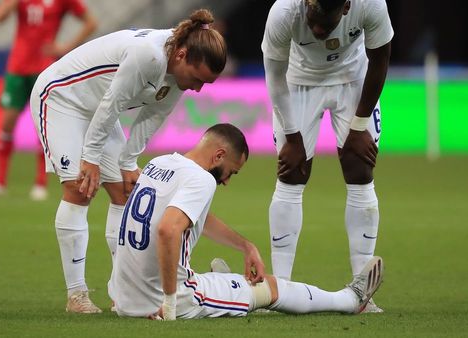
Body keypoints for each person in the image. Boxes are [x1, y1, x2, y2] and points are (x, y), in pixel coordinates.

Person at [28, 9, 227, 313]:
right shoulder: (148, 56)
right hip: (62, 98)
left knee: (124, 190)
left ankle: (123, 293)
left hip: (98, 112)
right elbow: (113, 104)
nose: (197, 88)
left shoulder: (178, 73)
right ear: (182, 55)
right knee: (79, 189)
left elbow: (152, 116)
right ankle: (76, 295)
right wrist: (90, 159)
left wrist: (128, 162)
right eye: (198, 79)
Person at [108, 123, 384, 319]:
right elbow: (168, 229)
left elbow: (189, 216)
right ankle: (350, 300)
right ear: (219, 155)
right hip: (171, 299)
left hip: (125, 300)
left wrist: (246, 246)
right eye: (231, 172)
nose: (226, 181)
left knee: (220, 279)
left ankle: (222, 283)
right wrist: (169, 304)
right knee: (269, 289)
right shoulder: (201, 179)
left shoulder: (161, 162)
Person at [261, 0, 393, 313]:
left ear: (346, 8)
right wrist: (292, 137)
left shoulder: (371, 5)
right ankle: (280, 288)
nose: (318, 29)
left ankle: (363, 292)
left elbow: (380, 59)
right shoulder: (283, 12)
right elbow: (274, 75)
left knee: (360, 169)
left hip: (353, 80)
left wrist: (359, 125)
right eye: (313, 18)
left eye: (326, 20)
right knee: (291, 173)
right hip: (297, 83)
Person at [0, 0, 97, 201]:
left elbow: (91, 22)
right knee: (6, 124)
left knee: (43, 129)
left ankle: (40, 183)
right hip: (17, 67)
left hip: (44, 71)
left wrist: (66, 47)